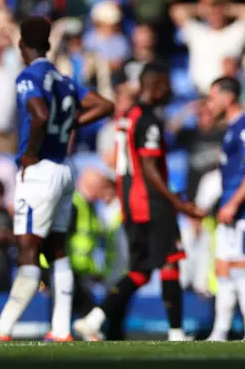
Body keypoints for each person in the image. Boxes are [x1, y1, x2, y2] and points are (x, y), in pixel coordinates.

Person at [0, 16, 115, 342]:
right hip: (66, 169)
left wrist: (29, 154)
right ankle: (62, 330)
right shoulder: (64, 79)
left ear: (23, 44)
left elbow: (37, 113)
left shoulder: (29, 76)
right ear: (48, 45)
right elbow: (105, 105)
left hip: (40, 171)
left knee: (27, 250)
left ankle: (1, 330)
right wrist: (69, 126)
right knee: (57, 249)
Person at [73, 61, 206, 342]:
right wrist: (176, 202)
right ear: (156, 85)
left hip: (130, 203)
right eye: (167, 84)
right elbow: (148, 166)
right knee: (170, 262)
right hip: (151, 202)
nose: (170, 90)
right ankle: (176, 332)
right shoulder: (148, 119)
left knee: (140, 270)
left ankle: (93, 319)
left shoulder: (128, 117)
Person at [205, 76, 245, 342]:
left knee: (241, 269)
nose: (209, 104)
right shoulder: (230, 128)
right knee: (224, 271)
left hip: (243, 211)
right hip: (229, 209)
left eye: (212, 97)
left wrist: (233, 203)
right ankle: (220, 331)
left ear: (228, 97)